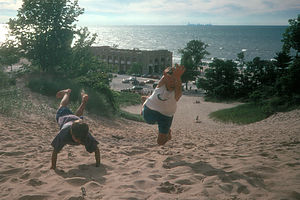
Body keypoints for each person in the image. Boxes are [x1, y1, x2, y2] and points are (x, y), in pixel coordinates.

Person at [50, 89, 100, 170]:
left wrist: (98, 164)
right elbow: (55, 151)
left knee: (78, 117)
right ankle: (66, 93)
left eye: (80, 140)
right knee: (62, 106)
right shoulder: (63, 133)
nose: (78, 141)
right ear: (71, 133)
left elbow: (96, 149)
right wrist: (53, 166)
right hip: (64, 117)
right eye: (76, 139)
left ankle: (83, 102)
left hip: (75, 120)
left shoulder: (85, 135)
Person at [141, 65, 185, 145]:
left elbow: (178, 86)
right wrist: (172, 71)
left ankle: (167, 132)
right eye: (170, 79)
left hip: (166, 116)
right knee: (149, 121)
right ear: (166, 79)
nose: (172, 82)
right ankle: (145, 102)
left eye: (175, 80)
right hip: (151, 109)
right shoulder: (161, 85)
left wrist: (178, 77)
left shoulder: (176, 93)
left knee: (160, 142)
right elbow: (166, 72)